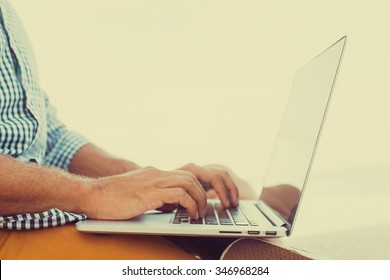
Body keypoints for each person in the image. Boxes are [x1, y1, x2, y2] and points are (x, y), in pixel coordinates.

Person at [0, 0, 256, 259]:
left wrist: (147, 183)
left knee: (243, 199)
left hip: (46, 211)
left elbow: (51, 139)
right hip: (10, 227)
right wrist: (94, 193)